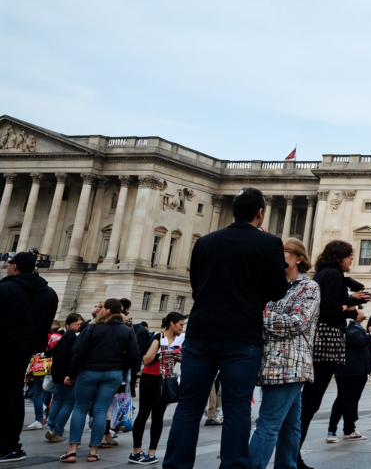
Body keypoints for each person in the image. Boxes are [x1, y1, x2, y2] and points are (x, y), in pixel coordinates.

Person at [162, 187, 288, 469]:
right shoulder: (269, 243)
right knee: (237, 408)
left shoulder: (205, 242)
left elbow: (197, 286)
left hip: (201, 332)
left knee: (188, 405)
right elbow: (279, 290)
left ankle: (175, 466)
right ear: (260, 212)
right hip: (242, 335)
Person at [248, 238, 319, 469]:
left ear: (299, 258)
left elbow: (298, 322)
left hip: (291, 364)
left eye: (285, 252)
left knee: (268, 424)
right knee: (290, 426)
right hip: (272, 363)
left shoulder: (309, 287)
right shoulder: (272, 285)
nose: (279, 256)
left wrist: (257, 317)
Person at [296, 240, 368, 469]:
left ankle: (292, 454)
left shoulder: (325, 274)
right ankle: (293, 456)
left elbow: (328, 301)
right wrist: (350, 310)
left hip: (318, 342)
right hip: (326, 344)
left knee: (308, 401)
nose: (352, 260)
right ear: (340, 256)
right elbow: (328, 309)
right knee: (310, 402)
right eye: (350, 256)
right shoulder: (334, 275)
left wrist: (349, 299)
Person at [0, 250, 60, 463]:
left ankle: (7, 446)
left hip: (3, 347)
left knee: (6, 395)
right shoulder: (50, 293)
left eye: (9, 264)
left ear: (15, 266)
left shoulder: (6, 288)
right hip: (24, 350)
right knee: (13, 393)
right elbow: (46, 325)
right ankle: (12, 444)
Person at [62, 299, 140, 464]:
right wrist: (120, 365)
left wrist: (71, 373)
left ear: (106, 310)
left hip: (89, 371)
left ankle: (72, 450)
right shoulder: (126, 330)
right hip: (113, 373)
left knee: (80, 408)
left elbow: (78, 351)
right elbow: (134, 356)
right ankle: (94, 451)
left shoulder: (92, 327)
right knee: (100, 410)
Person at [129, 312, 185, 465]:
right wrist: (165, 354)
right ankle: (136, 451)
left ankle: (152, 452)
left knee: (158, 416)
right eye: (180, 324)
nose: (182, 327)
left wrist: (178, 356)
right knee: (144, 413)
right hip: (150, 378)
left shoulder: (181, 340)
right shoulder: (158, 338)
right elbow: (146, 360)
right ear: (172, 323)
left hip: (166, 380)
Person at [326, 310, 371, 442]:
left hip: (350, 369)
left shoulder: (351, 326)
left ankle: (339, 429)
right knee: (349, 400)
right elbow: (357, 341)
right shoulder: (352, 327)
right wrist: (368, 335)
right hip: (353, 370)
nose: (361, 310)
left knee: (344, 399)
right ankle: (347, 430)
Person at [45, 314, 85, 443]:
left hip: (57, 374)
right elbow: (73, 358)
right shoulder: (72, 338)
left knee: (57, 401)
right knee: (68, 403)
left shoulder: (63, 338)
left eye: (80, 324)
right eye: (77, 324)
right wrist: (70, 375)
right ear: (68, 324)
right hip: (66, 375)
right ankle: (58, 430)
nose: (79, 326)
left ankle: (51, 427)